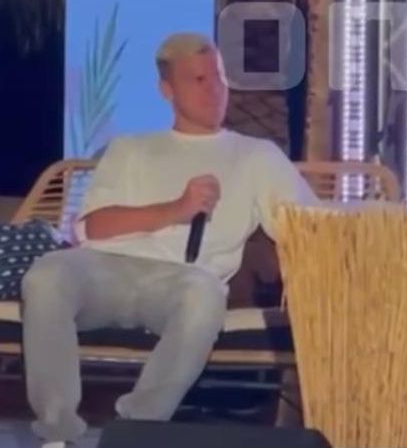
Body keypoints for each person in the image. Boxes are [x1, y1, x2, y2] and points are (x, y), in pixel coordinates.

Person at [21, 33, 320, 447]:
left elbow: (308, 226)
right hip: (106, 270)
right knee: (46, 274)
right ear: (167, 90)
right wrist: (177, 208)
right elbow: (91, 229)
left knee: (204, 295)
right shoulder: (131, 148)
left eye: (218, 77)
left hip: (183, 281)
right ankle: (57, 436)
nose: (214, 89)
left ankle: (134, 431)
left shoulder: (255, 155)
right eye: (198, 80)